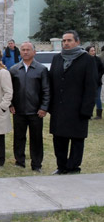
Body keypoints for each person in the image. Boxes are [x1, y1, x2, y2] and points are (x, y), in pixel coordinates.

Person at [49, 30, 96, 175]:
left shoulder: (87, 60)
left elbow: (91, 86)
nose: (66, 43)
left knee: (76, 140)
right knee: (59, 140)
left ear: (77, 42)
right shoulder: (57, 59)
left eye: (69, 40)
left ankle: (73, 168)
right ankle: (61, 167)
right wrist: (50, 106)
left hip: (77, 109)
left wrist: (86, 110)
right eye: (64, 41)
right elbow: (51, 83)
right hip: (59, 109)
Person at [9, 42, 50, 172]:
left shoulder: (41, 69)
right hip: (19, 110)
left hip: (36, 111)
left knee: (36, 139)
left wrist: (43, 107)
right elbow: (9, 90)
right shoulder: (14, 69)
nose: (25, 52)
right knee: (18, 137)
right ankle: (19, 161)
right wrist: (11, 104)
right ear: (20, 52)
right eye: (23, 50)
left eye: (28, 50)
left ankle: (36, 164)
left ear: (34, 52)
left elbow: (46, 90)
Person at [87, 46, 103, 119]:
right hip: (88, 83)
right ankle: (89, 114)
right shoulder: (85, 60)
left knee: (97, 98)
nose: (93, 52)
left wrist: (97, 77)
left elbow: (102, 70)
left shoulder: (98, 60)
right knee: (88, 98)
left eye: (94, 50)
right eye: (91, 51)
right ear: (88, 52)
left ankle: (99, 114)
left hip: (97, 83)